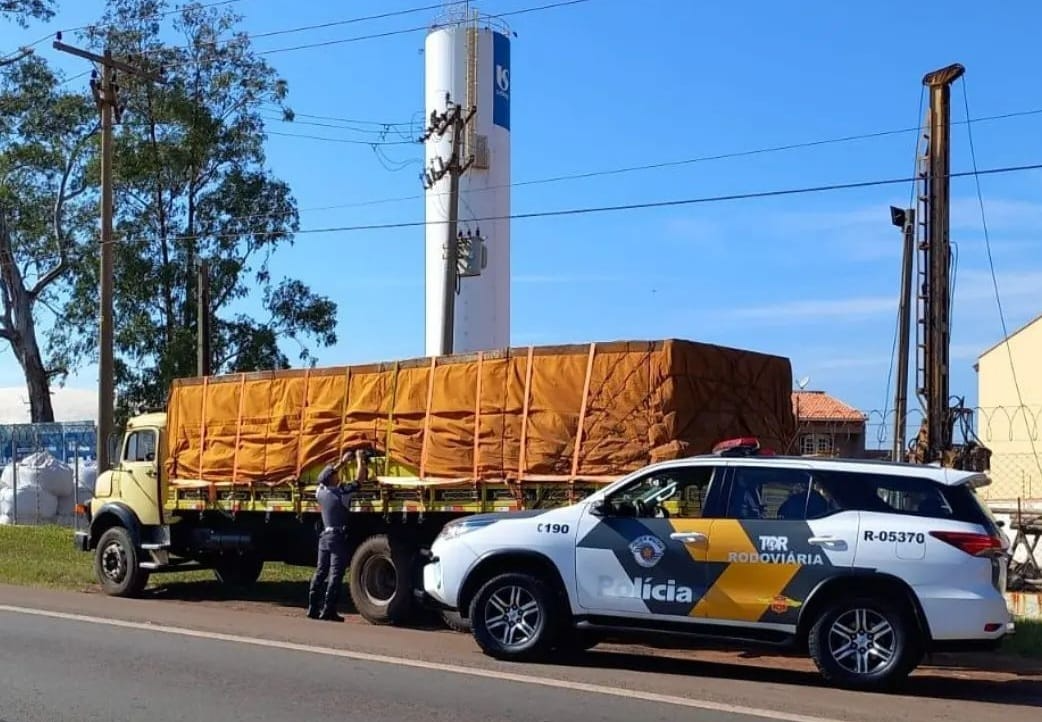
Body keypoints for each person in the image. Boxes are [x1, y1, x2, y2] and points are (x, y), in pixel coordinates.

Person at [307, 447, 369, 621]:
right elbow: (359, 480)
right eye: (335, 474)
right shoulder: (341, 493)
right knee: (335, 574)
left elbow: (324, 478)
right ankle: (329, 610)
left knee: (320, 571)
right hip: (337, 537)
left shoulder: (320, 492)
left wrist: (342, 462)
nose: (337, 475)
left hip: (324, 536)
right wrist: (358, 459)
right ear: (332, 479)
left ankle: (312, 607)